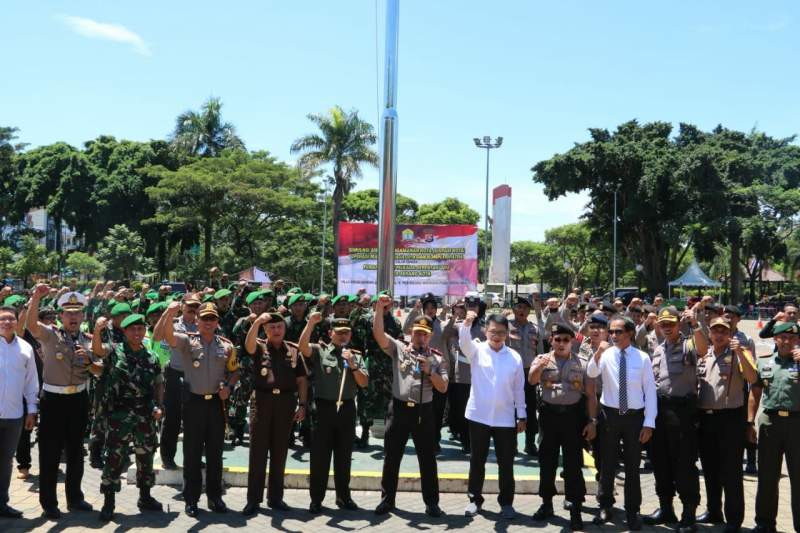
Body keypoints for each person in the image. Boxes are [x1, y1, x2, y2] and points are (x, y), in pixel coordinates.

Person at [154, 301, 239, 517]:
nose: (208, 322)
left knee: (215, 453)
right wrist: (170, 312)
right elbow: (167, 336)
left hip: (216, 405)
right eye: (204, 318)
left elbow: (235, 371)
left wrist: (228, 387)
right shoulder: (187, 341)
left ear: (217, 322)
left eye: (212, 318)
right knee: (191, 453)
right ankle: (191, 499)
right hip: (194, 403)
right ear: (198, 321)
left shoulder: (227, 346)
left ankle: (215, 497)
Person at [27, 285, 100, 519]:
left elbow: (99, 370)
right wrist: (36, 298)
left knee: (76, 451)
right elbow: (30, 326)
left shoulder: (88, 340)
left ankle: (75, 497)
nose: (73, 317)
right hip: (53, 400)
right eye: (68, 313)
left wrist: (89, 362)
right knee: (50, 451)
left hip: (79, 398)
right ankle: (49, 502)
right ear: (61, 316)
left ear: (82, 316)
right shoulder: (50, 335)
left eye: (77, 313)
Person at [372, 294, 448, 517]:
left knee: (427, 459)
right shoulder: (400, 348)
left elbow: (443, 387)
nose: (420, 337)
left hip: (424, 412)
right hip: (399, 409)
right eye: (417, 333)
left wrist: (429, 371)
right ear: (411, 333)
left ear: (430, 336)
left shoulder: (437, 358)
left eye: (425, 334)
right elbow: (378, 335)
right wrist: (379, 309)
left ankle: (431, 502)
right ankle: (387, 500)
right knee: (392, 456)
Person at [91, 313, 164, 521]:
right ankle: (109, 501)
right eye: (132, 329)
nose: (137, 333)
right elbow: (97, 350)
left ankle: (145, 496)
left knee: (146, 456)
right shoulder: (115, 352)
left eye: (140, 329)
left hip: (145, 414)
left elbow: (159, 383)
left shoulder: (151, 356)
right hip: (120, 414)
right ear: (124, 332)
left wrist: (159, 406)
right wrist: (97, 331)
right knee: (114, 457)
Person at [587, 316, 657, 530]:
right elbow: (591, 373)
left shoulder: (642, 357)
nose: (614, 335)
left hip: (634, 417)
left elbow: (650, 391)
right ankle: (605, 505)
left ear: (630, 333)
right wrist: (598, 352)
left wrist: (649, 422)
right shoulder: (605, 354)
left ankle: (632, 510)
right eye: (612, 331)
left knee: (633, 466)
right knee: (607, 463)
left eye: (619, 332)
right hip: (609, 415)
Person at [644, 306, 707, 533]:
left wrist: (696, 325)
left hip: (682, 413)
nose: (667, 327)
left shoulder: (688, 343)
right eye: (663, 324)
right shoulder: (658, 349)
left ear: (678, 324)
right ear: (658, 325)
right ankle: (666, 507)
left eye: (671, 323)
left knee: (684, 464)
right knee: (660, 461)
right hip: (660, 411)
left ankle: (688, 513)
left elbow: (702, 349)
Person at [529, 323, 598, 530]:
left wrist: (592, 421)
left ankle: (575, 509)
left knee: (573, 465)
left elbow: (591, 395)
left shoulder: (582, 363)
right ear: (551, 340)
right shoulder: (542, 359)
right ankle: (546, 504)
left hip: (572, 419)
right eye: (557, 339)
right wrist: (540, 366)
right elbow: (532, 381)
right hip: (549, 418)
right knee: (547, 463)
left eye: (565, 340)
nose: (561, 343)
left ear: (572, 342)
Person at [459, 311, 526, 520]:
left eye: (502, 332)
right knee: (477, 461)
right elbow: (464, 342)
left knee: (506, 463)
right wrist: (466, 323)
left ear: (507, 334)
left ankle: (506, 503)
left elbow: (519, 390)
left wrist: (521, 415)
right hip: (479, 416)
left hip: (505, 418)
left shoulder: (514, 357)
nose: (497, 336)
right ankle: (474, 500)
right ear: (485, 331)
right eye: (493, 332)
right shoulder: (477, 351)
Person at [240, 311, 308, 515]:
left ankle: (275, 497)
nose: (276, 331)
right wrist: (257, 323)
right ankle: (253, 500)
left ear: (284, 329)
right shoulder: (260, 347)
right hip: (262, 402)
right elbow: (248, 345)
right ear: (266, 331)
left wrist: (302, 405)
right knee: (258, 453)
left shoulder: (294, 351)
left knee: (280, 452)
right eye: (271, 328)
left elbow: (302, 380)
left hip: (286, 403)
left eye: (279, 327)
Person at [300, 313, 368, 513]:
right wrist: (311, 323)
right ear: (331, 333)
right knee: (320, 457)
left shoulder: (356, 355)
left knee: (344, 456)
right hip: (323, 409)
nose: (343, 336)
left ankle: (343, 496)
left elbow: (363, 383)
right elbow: (303, 347)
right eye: (339, 333)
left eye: (346, 333)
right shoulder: (320, 351)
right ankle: (316, 499)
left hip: (346, 408)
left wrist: (353, 365)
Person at [695, 317, 757, 532]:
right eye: (715, 331)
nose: (719, 335)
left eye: (723, 331)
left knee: (731, 472)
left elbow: (752, 376)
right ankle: (714, 510)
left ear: (729, 333)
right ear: (710, 333)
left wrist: (740, 352)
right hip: (706, 419)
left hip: (730, 419)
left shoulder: (740, 352)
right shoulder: (705, 354)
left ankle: (734, 519)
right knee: (710, 468)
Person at [748, 321, 800, 533]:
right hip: (770, 423)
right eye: (783, 337)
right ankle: (764, 523)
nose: (787, 341)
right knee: (767, 476)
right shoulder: (764, 362)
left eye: (792, 337)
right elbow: (755, 392)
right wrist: (749, 421)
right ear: (775, 339)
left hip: (797, 424)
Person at [0, 305, 38, 519]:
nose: (6, 322)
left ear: (17, 321)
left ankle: (2, 503)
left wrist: (31, 410)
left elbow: (31, 381)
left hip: (14, 416)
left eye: (10, 319)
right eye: (2, 318)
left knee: (6, 462)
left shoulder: (25, 348)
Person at [159, 294, 199, 469]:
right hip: (176, 375)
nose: (193, 309)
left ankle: (194, 458)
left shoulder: (205, 324)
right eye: (190, 305)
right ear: (183, 306)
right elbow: (158, 337)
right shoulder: (174, 324)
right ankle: (167, 457)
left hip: (196, 376)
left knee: (194, 420)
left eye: (196, 306)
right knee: (172, 419)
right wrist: (168, 314)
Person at [442, 293, 484, 453]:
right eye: (469, 306)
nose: (472, 309)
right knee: (460, 411)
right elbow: (444, 336)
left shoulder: (485, 327)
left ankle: (473, 442)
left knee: (476, 412)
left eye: (475, 306)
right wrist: (454, 317)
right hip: (460, 376)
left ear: (479, 308)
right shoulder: (457, 325)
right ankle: (466, 441)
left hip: (478, 377)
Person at [505, 296, 541, 456]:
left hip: (529, 374)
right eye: (518, 307)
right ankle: (511, 443)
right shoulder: (505, 326)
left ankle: (529, 442)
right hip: (511, 374)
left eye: (525, 308)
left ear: (529, 311)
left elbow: (540, 353)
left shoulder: (535, 329)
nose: (522, 310)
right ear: (514, 309)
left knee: (531, 409)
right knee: (510, 408)